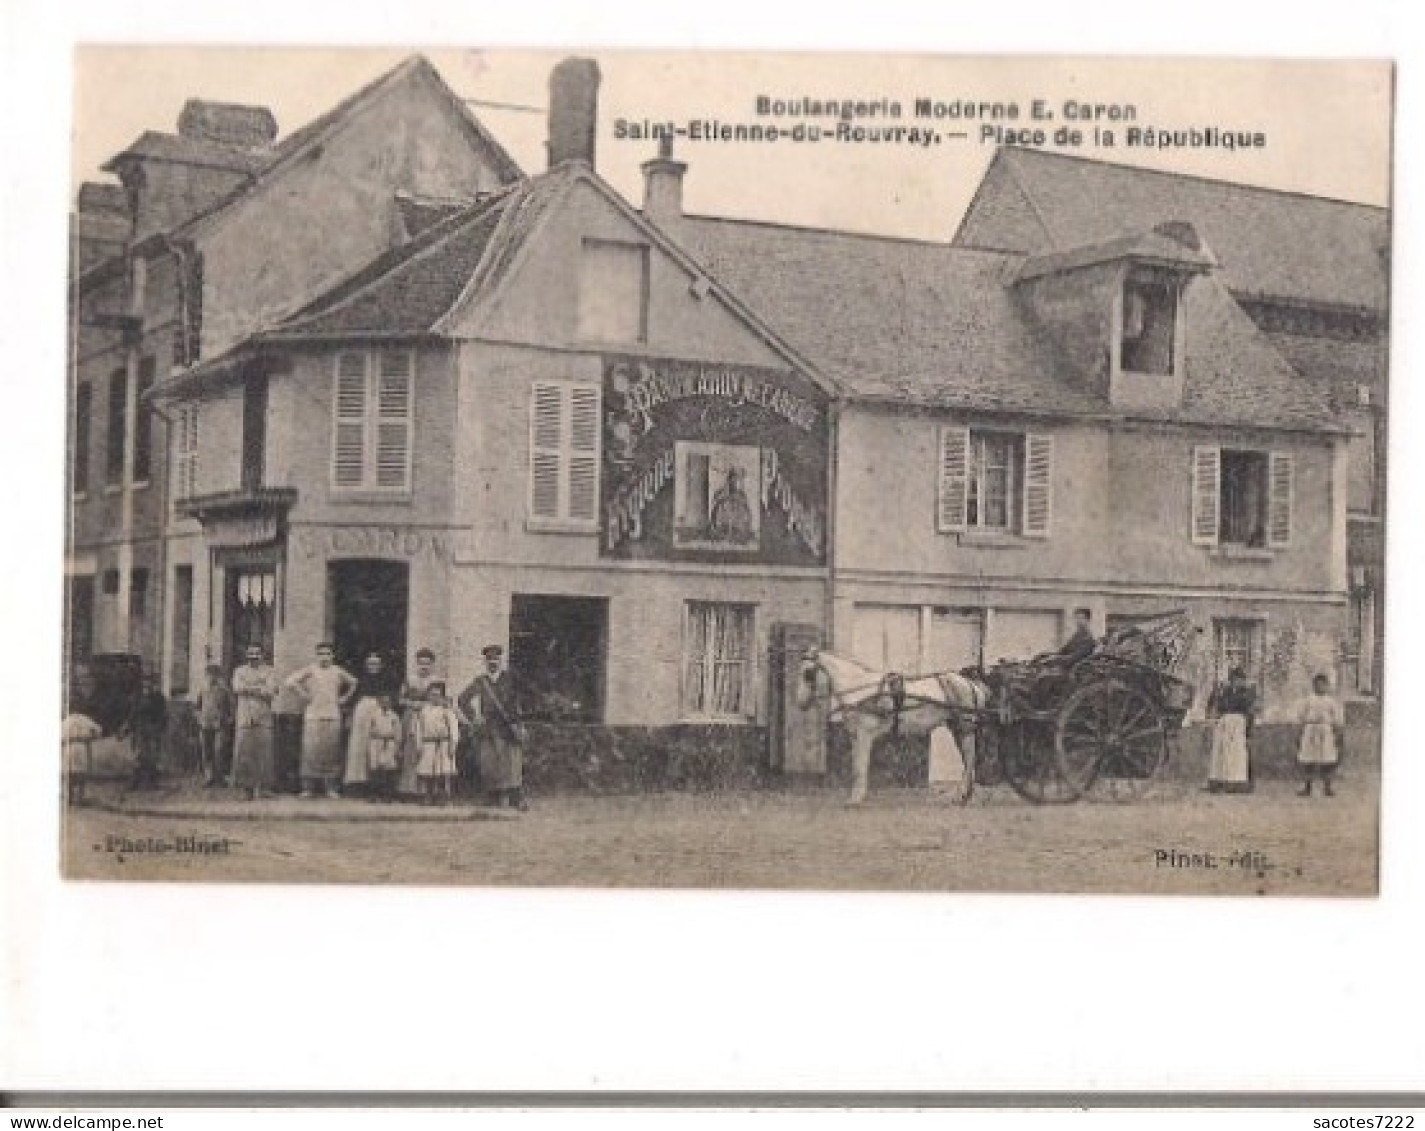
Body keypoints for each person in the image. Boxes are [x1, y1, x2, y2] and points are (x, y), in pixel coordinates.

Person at [459, 644, 529, 810]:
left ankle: (515, 798)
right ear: (485, 662)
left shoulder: (510, 679)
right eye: (489, 659)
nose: (493, 662)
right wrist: (475, 718)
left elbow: (520, 702)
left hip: (509, 727)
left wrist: (519, 723)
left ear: (501, 660)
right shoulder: (480, 682)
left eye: (496, 659)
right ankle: (492, 797)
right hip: (489, 728)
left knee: (512, 763)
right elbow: (462, 700)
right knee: (489, 763)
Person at [285, 642, 357, 799]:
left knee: (330, 752)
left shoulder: (337, 671)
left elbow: (354, 682)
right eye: (321, 654)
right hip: (313, 716)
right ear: (316, 655)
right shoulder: (310, 670)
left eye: (327, 654)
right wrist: (303, 694)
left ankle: (330, 787)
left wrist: (344, 698)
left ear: (332, 655)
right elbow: (290, 681)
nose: (324, 657)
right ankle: (308, 787)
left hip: (332, 715)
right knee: (310, 751)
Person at [344, 652, 400, 795]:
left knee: (377, 747)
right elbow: (353, 698)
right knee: (359, 746)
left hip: (379, 710)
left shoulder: (386, 680)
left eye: (376, 664)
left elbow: (390, 698)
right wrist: (350, 716)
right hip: (361, 712)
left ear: (380, 665)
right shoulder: (360, 680)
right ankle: (358, 783)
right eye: (370, 663)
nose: (373, 666)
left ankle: (377, 785)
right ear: (366, 665)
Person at [231, 645, 281, 800]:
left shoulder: (270, 671)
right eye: (251, 653)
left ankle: (264, 789)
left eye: (257, 653)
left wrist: (250, 688)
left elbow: (272, 691)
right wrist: (260, 687)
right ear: (247, 654)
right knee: (244, 753)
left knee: (264, 754)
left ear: (262, 655)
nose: (254, 656)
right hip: (245, 717)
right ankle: (246, 790)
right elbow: (237, 688)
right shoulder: (239, 671)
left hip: (263, 717)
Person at [398, 648, 441, 800]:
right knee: (410, 751)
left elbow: (441, 700)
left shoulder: (437, 681)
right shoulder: (410, 679)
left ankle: (427, 790)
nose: (424, 667)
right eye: (421, 663)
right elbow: (400, 699)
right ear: (416, 663)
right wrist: (413, 703)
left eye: (427, 664)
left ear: (432, 665)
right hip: (411, 717)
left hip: (429, 717)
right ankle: (409, 790)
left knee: (427, 751)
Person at [1206, 666, 1256, 794]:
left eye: (1239, 679)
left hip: (1238, 723)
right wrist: (1215, 693)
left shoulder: (1247, 692)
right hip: (1224, 723)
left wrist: (1249, 729)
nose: (1237, 681)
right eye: (1234, 679)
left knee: (1237, 753)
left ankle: (1238, 783)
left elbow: (1250, 712)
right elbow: (1215, 704)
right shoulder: (1225, 691)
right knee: (1221, 752)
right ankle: (1219, 781)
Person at [413, 682, 464, 805]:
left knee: (443, 772)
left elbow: (454, 728)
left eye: (437, 695)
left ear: (442, 696)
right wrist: (419, 745)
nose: (434, 698)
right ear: (428, 696)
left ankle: (444, 797)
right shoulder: (423, 711)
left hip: (443, 743)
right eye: (432, 695)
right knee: (428, 772)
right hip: (428, 743)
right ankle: (428, 796)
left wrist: (453, 744)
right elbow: (419, 729)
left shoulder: (446, 711)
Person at [1297, 673, 1346, 797]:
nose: (1320, 687)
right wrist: (1302, 728)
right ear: (1313, 685)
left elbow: (1337, 718)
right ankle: (1307, 787)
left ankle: (1327, 787)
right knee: (1308, 759)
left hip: (1325, 730)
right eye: (1317, 684)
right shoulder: (1308, 700)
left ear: (1327, 686)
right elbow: (1301, 716)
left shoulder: (1331, 702)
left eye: (1323, 684)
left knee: (1327, 760)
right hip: (1311, 730)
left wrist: (1337, 732)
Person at [124, 673, 168, 790]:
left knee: (152, 756)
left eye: (150, 684)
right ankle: (136, 781)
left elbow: (163, 715)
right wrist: (128, 727)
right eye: (145, 684)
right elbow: (132, 714)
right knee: (138, 755)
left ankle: (151, 782)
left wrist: (160, 728)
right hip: (139, 730)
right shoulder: (136, 697)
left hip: (153, 729)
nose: (147, 686)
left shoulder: (158, 698)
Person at [194, 664, 233, 787]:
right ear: (206, 676)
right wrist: (199, 717)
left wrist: (228, 719)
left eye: (214, 675)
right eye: (209, 675)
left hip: (219, 725)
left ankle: (220, 777)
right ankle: (208, 777)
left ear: (218, 675)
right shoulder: (202, 688)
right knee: (206, 751)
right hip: (205, 724)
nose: (212, 677)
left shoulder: (224, 690)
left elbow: (231, 706)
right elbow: (196, 706)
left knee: (219, 750)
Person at [365, 694, 403, 803]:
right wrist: (369, 745)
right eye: (383, 701)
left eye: (388, 701)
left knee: (389, 770)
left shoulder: (394, 717)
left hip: (389, 743)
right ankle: (374, 794)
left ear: (391, 703)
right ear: (379, 702)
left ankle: (388, 795)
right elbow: (368, 731)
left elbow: (398, 733)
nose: (385, 703)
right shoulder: (373, 715)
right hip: (376, 742)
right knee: (375, 769)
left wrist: (397, 747)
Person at [63, 710, 103, 805]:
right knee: (80, 775)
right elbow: (97, 732)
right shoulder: (86, 723)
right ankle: (79, 798)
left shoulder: (67, 723)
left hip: (71, 748)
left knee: (71, 774)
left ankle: (71, 797)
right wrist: (89, 737)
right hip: (81, 749)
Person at [709, 466, 754, 543]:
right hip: (722, 529)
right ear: (729, 479)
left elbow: (748, 514)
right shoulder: (720, 494)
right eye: (733, 478)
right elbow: (714, 511)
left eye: (737, 479)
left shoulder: (741, 495)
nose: (735, 481)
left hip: (737, 530)